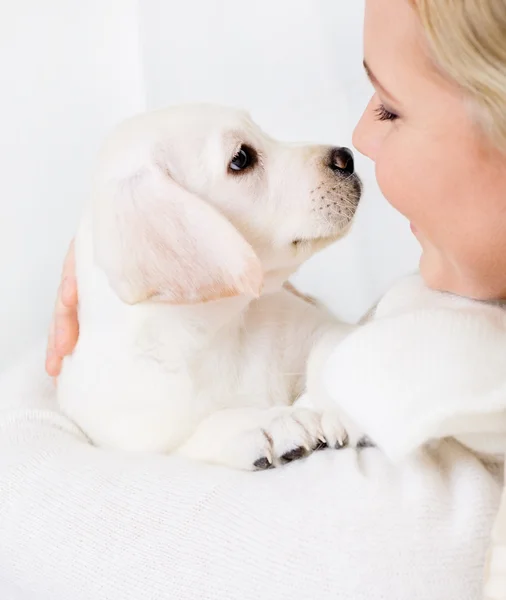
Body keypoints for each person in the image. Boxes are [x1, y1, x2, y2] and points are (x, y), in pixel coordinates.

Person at [2, 0, 505, 598]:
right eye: (243, 158)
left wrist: (100, 288)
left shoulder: (428, 513)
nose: (357, 138)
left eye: (392, 109)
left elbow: (35, 516)